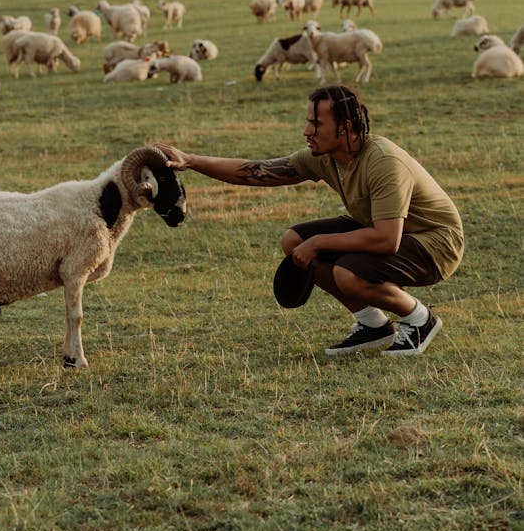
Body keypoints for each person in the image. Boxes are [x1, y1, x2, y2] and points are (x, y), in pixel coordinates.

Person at [157, 84, 464, 357]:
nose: (307, 130)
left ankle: (420, 319)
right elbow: (257, 171)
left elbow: (387, 239)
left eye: (316, 123)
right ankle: (374, 326)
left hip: (436, 243)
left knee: (346, 273)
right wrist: (191, 160)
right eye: (308, 121)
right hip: (385, 229)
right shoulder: (323, 156)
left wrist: (318, 243)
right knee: (294, 242)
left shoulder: (383, 161)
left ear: (344, 127)